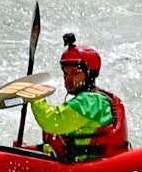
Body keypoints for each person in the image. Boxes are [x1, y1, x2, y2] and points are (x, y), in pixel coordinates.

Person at [18, 34, 131, 162]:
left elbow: (53, 121)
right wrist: (32, 150)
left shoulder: (89, 101)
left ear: (89, 74)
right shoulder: (97, 99)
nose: (68, 79)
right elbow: (68, 142)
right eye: (66, 73)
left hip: (91, 167)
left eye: (75, 73)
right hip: (83, 163)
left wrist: (35, 96)